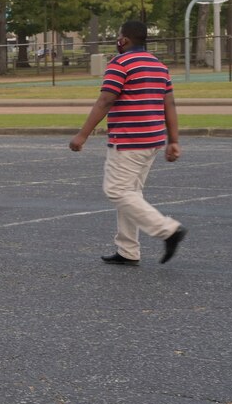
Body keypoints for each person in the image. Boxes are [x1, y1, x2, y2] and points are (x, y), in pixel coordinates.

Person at [69, 19, 186, 265]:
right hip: (152, 140)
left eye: (119, 36)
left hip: (128, 140)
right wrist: (173, 140)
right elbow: (170, 105)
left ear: (124, 39)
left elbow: (105, 101)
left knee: (117, 191)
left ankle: (168, 230)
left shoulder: (119, 64)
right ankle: (127, 250)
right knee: (131, 193)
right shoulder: (159, 66)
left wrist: (82, 135)